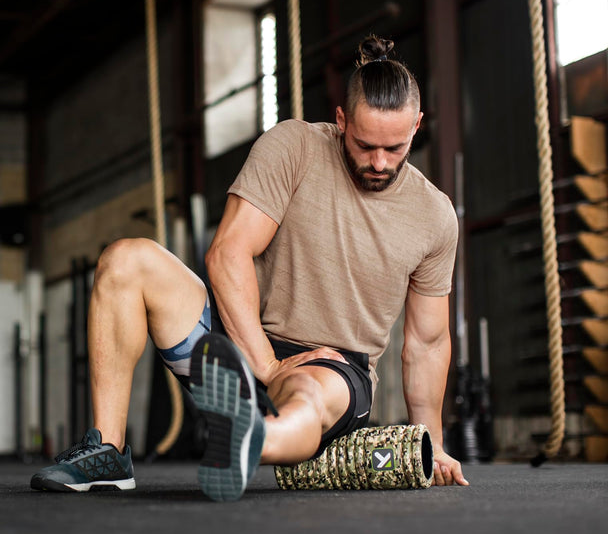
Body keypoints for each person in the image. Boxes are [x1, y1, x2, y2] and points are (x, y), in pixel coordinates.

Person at [31, 35, 469, 500]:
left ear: (418, 126)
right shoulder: (294, 147)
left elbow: (426, 342)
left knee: (305, 385)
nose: (379, 162)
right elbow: (227, 253)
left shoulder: (434, 216)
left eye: (394, 148)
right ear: (341, 121)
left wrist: (434, 443)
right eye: (364, 145)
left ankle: (251, 438)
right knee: (126, 259)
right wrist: (265, 364)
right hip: (239, 344)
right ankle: (109, 452)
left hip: (334, 368)